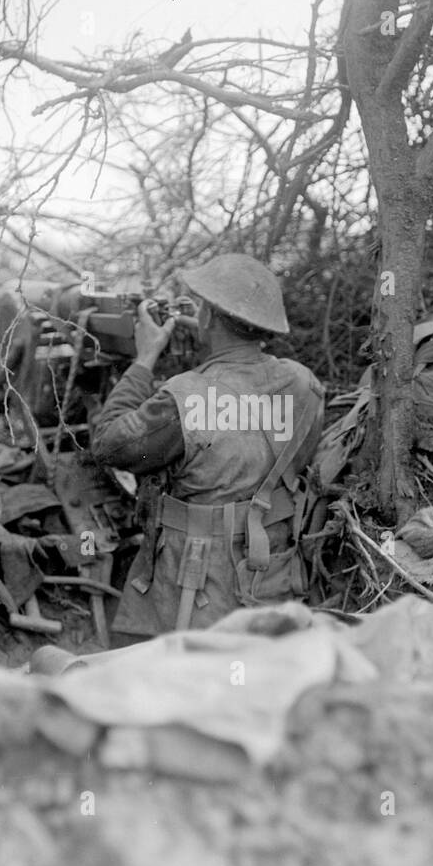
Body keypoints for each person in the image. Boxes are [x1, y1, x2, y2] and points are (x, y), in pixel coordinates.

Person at [92, 253, 324, 634]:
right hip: (272, 576)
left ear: (208, 316)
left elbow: (107, 445)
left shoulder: (185, 398)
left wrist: (145, 357)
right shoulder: (304, 383)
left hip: (197, 587)